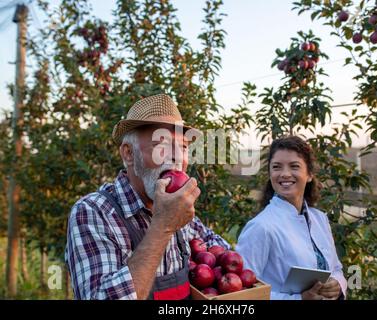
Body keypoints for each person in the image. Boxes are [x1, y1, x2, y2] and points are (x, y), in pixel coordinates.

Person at [65, 94, 230, 300]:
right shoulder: (93, 213)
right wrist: (163, 226)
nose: (177, 157)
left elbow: (221, 250)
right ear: (128, 154)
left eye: (183, 147)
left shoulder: (179, 211)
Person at [236, 136, 347, 300]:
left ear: (309, 175)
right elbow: (242, 293)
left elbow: (336, 268)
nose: (285, 174)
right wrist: (299, 299)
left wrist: (337, 284)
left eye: (294, 166)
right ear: (270, 174)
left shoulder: (320, 219)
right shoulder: (261, 227)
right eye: (276, 167)